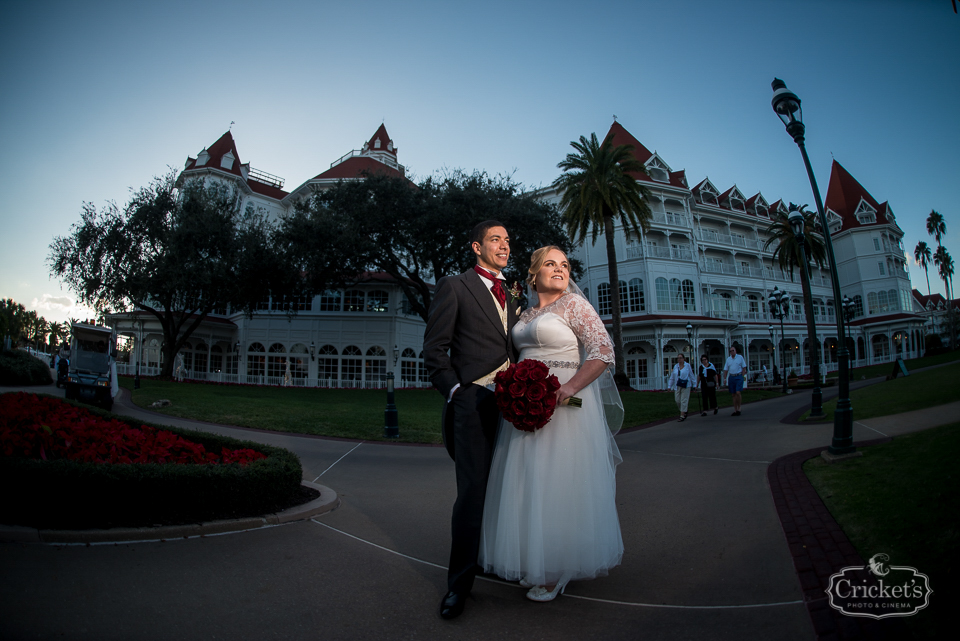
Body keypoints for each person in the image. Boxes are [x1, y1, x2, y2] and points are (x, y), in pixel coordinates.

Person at [479, 246, 623, 603]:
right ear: (533, 274)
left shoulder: (574, 305)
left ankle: (557, 568)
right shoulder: (525, 313)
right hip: (523, 406)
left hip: (566, 406)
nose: (560, 269)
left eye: (564, 264)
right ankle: (533, 558)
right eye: (550, 263)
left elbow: (603, 350)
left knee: (557, 479)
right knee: (527, 477)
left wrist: (569, 388)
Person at [423, 220, 521, 620]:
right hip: (473, 401)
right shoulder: (455, 286)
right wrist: (456, 392)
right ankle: (458, 584)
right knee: (473, 492)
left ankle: (493, 559)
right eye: (495, 239)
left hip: (515, 404)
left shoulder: (515, 292)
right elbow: (434, 349)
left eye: (508, 240)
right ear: (476, 247)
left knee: (510, 486)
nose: (504, 245)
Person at [668, 352, 695, 421]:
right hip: (677, 385)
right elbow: (672, 377)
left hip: (686, 385)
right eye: (678, 358)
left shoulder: (687, 366)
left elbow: (691, 375)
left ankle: (682, 415)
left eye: (680, 358)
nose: (679, 359)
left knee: (684, 400)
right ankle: (684, 410)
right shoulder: (676, 366)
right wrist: (669, 386)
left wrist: (694, 384)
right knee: (677, 400)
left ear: (684, 359)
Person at [723, 346, 747, 416]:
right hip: (732, 377)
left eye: (733, 350)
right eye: (730, 351)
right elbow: (726, 369)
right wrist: (725, 379)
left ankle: (739, 407)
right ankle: (735, 409)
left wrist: (742, 376)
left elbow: (744, 367)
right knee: (733, 394)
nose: (731, 352)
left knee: (738, 392)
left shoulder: (740, 357)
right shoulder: (728, 359)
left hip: (738, 376)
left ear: (735, 351)